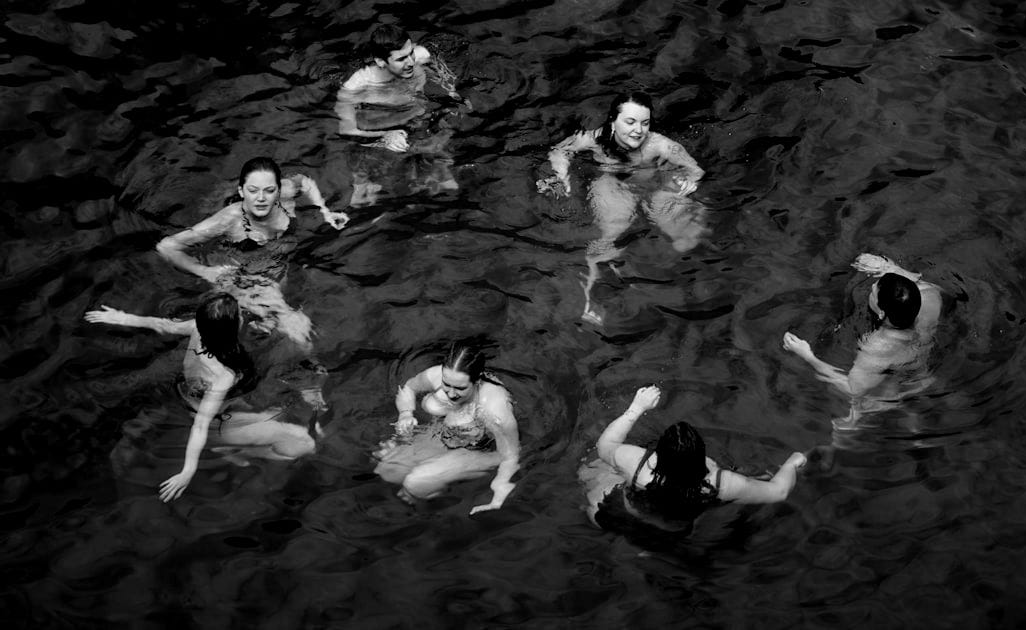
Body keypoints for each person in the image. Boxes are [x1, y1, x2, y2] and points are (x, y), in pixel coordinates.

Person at [84, 293, 317, 502]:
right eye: (239, 315)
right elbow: (200, 424)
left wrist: (121, 318)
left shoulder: (197, 328)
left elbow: (163, 324)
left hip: (204, 401)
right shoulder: (222, 375)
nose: (242, 315)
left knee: (286, 421)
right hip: (216, 423)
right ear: (233, 327)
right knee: (304, 443)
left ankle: (239, 445)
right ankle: (236, 451)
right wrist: (188, 470)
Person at [537, 91, 708, 324]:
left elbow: (695, 170)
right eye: (630, 122)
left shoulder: (660, 145)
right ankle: (589, 298)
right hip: (613, 185)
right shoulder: (594, 139)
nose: (639, 130)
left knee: (684, 240)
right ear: (613, 121)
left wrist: (690, 183)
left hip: (655, 186)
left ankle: (670, 282)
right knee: (608, 236)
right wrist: (561, 175)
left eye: (645, 123)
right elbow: (560, 150)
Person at [156, 157, 348, 351]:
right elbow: (167, 246)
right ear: (241, 192)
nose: (261, 198)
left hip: (279, 267)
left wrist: (325, 211)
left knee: (303, 326)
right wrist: (204, 271)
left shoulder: (285, 195)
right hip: (244, 279)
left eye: (269, 190)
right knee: (299, 331)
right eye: (253, 190)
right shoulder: (230, 219)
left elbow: (304, 181)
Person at [581, 385, 806, 537]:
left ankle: (603, 517)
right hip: (675, 528)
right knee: (751, 480)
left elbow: (605, 445)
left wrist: (637, 407)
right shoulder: (721, 483)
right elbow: (779, 492)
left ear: (658, 455)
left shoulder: (638, 465)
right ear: (701, 456)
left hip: (631, 510)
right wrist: (791, 464)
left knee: (592, 467)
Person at [782, 253, 944, 412]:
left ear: (881, 313)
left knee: (861, 403)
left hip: (907, 385)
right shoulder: (931, 298)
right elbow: (915, 284)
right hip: (921, 369)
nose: (872, 287)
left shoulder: (879, 346)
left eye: (874, 292)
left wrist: (807, 355)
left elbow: (853, 389)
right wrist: (887, 267)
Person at [374, 342, 520, 514]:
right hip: (443, 434)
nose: (451, 393)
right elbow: (408, 388)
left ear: (477, 380)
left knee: (417, 483)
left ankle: (437, 510)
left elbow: (509, 455)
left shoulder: (494, 405)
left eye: (460, 388)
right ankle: (425, 491)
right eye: (446, 384)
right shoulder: (438, 375)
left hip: (478, 451)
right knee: (388, 469)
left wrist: (500, 487)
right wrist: (405, 414)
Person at [335, 22, 467, 205]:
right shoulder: (357, 86)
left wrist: (450, 89)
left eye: (410, 53)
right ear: (380, 62)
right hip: (380, 116)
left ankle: (437, 171)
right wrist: (384, 137)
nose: (411, 62)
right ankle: (364, 186)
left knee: (445, 127)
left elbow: (442, 71)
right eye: (401, 59)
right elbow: (347, 133)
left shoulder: (420, 56)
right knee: (365, 153)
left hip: (413, 111)